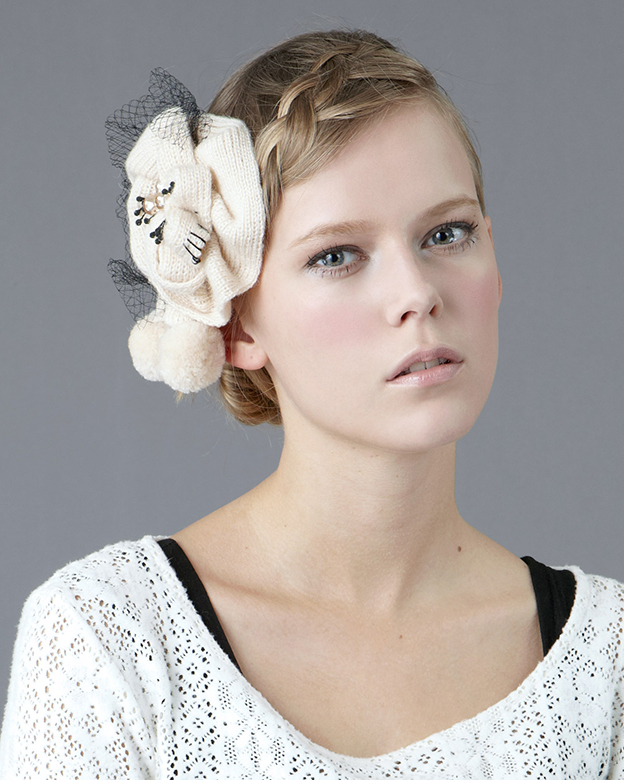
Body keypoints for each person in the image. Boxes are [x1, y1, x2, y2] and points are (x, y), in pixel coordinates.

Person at [0, 28, 622, 778]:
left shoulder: (608, 662)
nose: (417, 293)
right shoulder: (111, 641)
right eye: (336, 255)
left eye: (446, 233)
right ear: (235, 324)